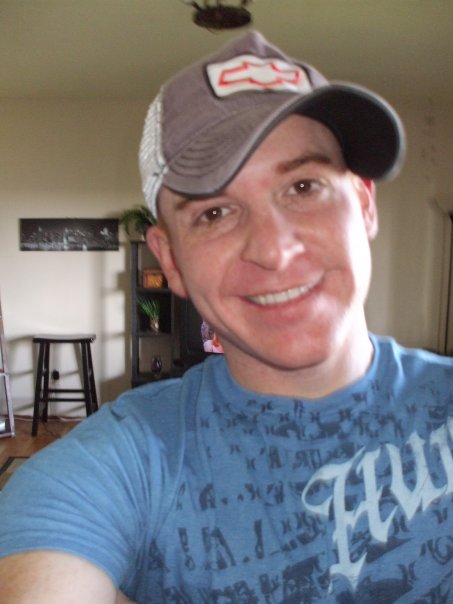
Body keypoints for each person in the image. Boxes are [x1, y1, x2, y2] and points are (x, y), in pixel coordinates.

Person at [0, 30, 452, 604]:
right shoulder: (121, 462)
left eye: (303, 186)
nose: (274, 250)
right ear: (170, 260)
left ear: (363, 205)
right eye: (214, 212)